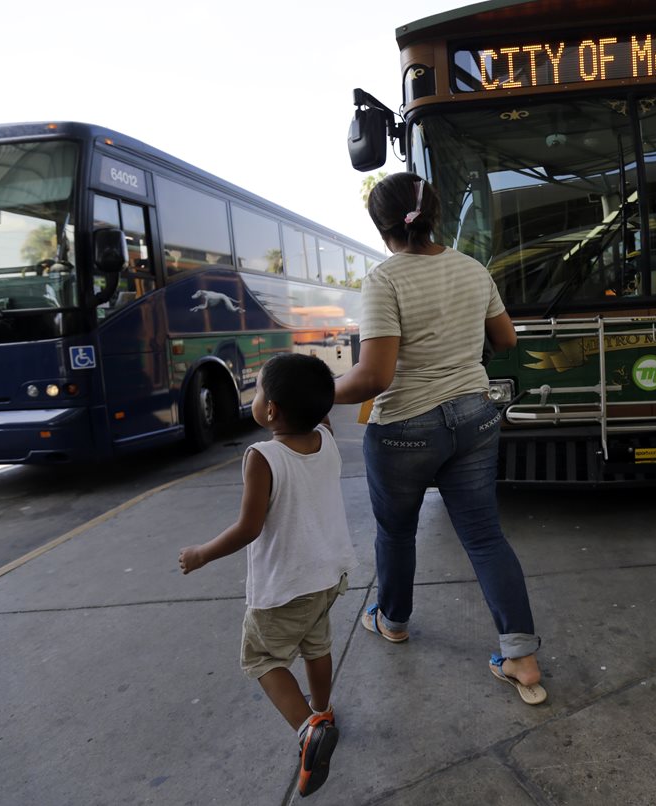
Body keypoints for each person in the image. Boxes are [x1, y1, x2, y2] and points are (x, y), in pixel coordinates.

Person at [334, 172, 547, 706]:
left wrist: (314, 393)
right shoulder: (473, 270)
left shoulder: (384, 280)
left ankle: (394, 620)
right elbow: (505, 338)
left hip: (404, 428)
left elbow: (375, 378)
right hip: (475, 419)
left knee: (397, 531)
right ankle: (520, 657)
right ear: (437, 215)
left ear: (382, 225)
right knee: (483, 536)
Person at [179, 353, 357, 797]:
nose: (255, 398)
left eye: (258, 392)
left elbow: (249, 527)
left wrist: (202, 553)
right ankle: (324, 709)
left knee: (261, 658)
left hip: (286, 585)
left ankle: (309, 729)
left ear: (271, 410)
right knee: (317, 645)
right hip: (328, 576)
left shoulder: (263, 456)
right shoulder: (327, 439)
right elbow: (322, 413)